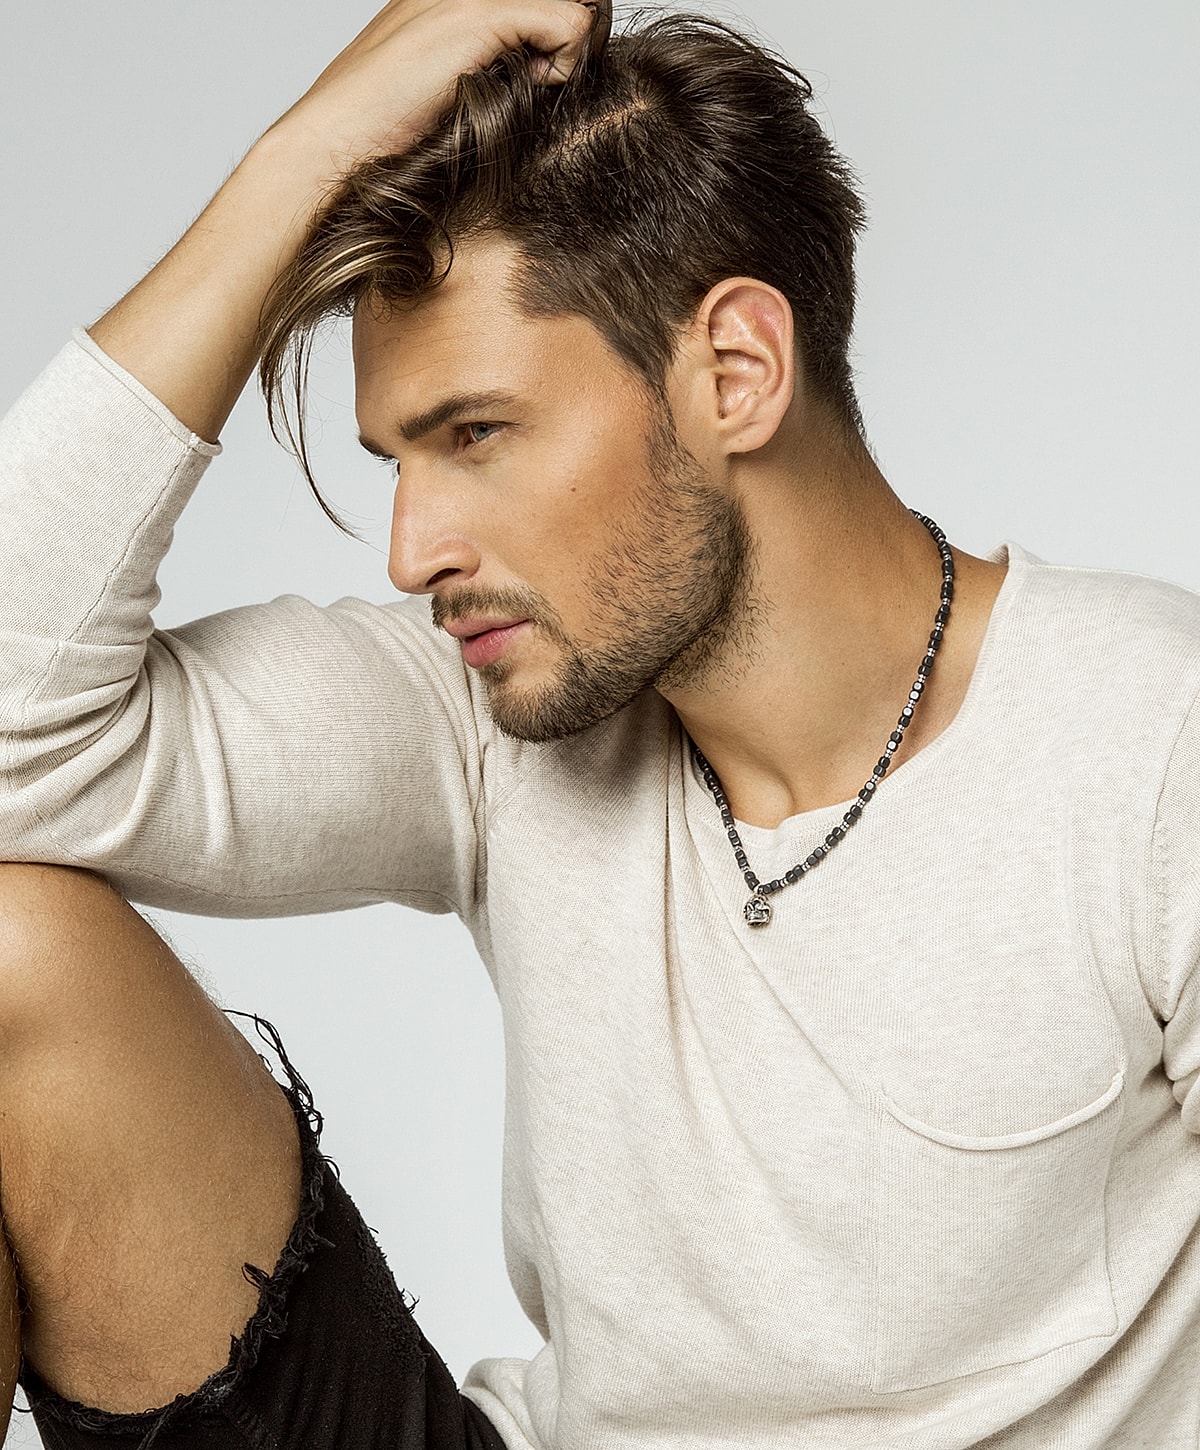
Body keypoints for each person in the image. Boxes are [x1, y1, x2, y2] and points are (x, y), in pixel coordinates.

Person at [0, 0, 1197, 1447]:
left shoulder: (1150, 742)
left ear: (735, 373)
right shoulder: (487, 723)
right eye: (398, 458)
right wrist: (302, 153)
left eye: (476, 433)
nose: (411, 547)